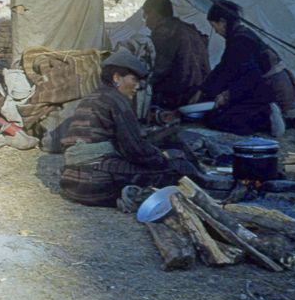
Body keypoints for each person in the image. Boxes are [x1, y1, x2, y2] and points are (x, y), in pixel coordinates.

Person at [59, 51, 203, 207]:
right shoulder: (117, 101)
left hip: (72, 183)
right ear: (116, 78)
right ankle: (137, 195)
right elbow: (135, 150)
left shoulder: (93, 97)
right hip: (97, 184)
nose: (137, 87)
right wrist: (164, 158)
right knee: (178, 169)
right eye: (134, 80)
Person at [190, 0, 295, 137]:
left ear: (222, 22)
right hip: (265, 85)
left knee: (220, 120)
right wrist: (202, 90)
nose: (215, 31)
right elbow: (224, 67)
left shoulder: (241, 40)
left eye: (214, 26)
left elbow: (251, 76)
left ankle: (267, 114)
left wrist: (227, 95)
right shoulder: (238, 36)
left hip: (273, 90)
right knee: (216, 112)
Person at [142, 0, 210, 108]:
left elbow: (159, 69)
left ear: (154, 14)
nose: (146, 22)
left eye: (146, 16)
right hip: (202, 94)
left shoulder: (164, 32)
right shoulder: (190, 29)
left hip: (180, 97)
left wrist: (141, 81)